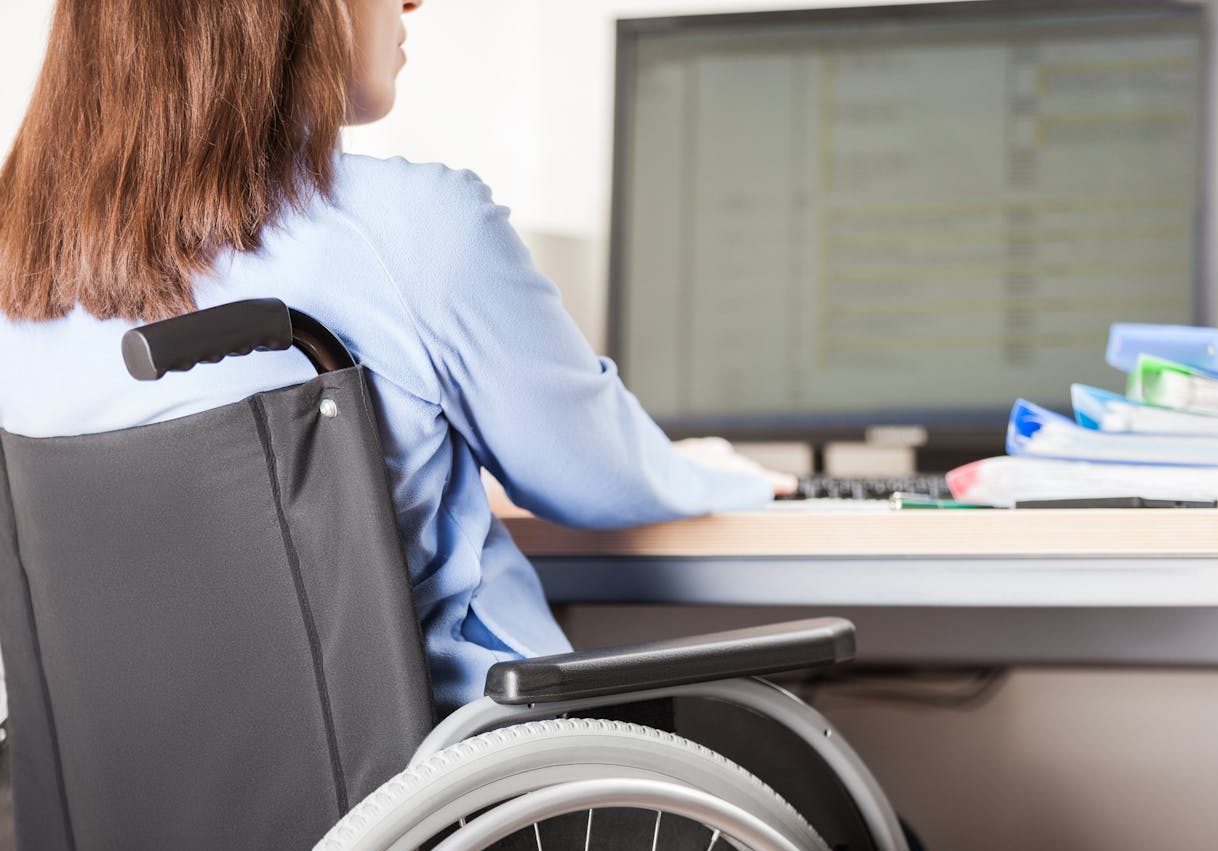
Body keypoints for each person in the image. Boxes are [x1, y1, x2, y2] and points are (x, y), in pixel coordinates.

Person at [0, 0, 794, 712]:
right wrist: (727, 475)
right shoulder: (410, 228)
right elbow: (597, 480)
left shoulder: (20, 273)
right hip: (464, 830)